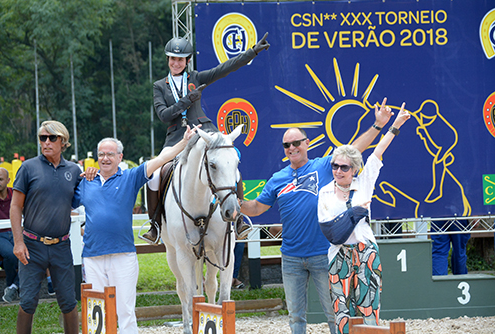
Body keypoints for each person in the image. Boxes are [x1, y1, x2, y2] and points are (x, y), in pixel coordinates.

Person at [240, 98, 396, 334]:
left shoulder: (324, 166)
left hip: (325, 255)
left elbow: (354, 150)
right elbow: (255, 209)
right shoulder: (277, 179)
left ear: (307, 143)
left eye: (296, 143)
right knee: (295, 318)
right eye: (286, 145)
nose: (292, 148)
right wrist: (232, 201)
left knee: (335, 314)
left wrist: (378, 125)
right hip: (291, 257)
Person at [144, 33, 271, 243]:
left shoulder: (195, 77)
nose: (176, 63)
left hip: (204, 132)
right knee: (155, 174)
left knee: (228, 164)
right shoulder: (160, 86)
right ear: (168, 60)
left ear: (187, 61)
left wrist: (252, 52)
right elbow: (164, 115)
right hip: (177, 137)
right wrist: (186, 100)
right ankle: (155, 224)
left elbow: (225, 68)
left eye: (180, 59)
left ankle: (238, 221)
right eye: (173, 59)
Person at [73, 126, 197, 334]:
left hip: (123, 256)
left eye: (110, 154)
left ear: (120, 156)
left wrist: (184, 142)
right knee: (97, 313)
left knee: (126, 311)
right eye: (101, 154)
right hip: (92, 257)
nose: (105, 158)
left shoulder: (130, 177)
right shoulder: (86, 182)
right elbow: (66, 203)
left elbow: (161, 159)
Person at [317, 104, 410, 334]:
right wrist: (353, 213)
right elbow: (331, 232)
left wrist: (395, 125)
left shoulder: (364, 182)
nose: (338, 171)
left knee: (369, 308)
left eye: (344, 167)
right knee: (341, 311)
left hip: (366, 250)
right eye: (335, 166)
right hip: (338, 253)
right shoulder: (325, 192)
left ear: (354, 169)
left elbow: (378, 152)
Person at [10, 120, 82, 334]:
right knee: (28, 302)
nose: (46, 142)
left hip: (61, 245)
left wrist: (91, 175)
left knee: (69, 301)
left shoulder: (73, 170)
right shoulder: (28, 167)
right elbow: (15, 206)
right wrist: (18, 242)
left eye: (52, 138)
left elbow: (85, 196)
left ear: (63, 141)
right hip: (32, 246)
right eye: (43, 138)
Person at [0, 167, 19, 303]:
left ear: (8, 180)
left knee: (29, 253)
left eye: (0, 179)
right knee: (11, 254)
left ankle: (13, 287)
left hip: (15, 232)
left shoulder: (14, 194)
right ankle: (12, 285)